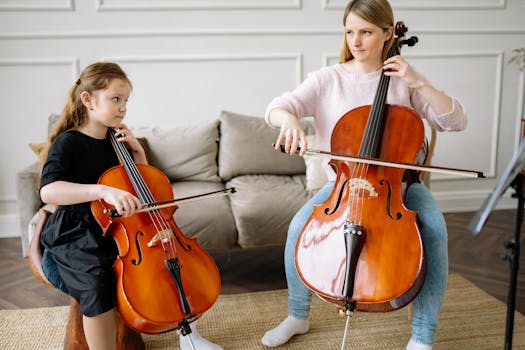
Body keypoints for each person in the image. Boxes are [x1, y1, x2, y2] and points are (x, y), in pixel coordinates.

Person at [260, 1, 467, 349]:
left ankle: (423, 336)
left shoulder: (405, 84)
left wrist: (418, 81)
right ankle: (298, 315)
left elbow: (456, 121)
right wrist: (289, 120)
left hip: (398, 188)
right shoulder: (328, 79)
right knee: (298, 228)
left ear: (388, 34)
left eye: (366, 32)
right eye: (350, 31)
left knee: (434, 229)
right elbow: (276, 108)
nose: (356, 41)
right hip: (343, 187)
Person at [39, 62, 222, 350]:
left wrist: (138, 156)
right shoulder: (68, 142)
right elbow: (49, 191)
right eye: (115, 99)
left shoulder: (119, 143)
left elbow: (146, 193)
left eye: (125, 101)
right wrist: (102, 190)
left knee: (168, 263)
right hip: (76, 231)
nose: (123, 108)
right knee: (97, 283)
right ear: (88, 100)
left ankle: (189, 338)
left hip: (116, 228)